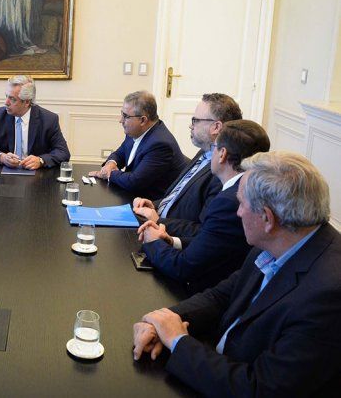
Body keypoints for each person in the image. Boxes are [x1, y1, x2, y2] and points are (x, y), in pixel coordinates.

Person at [133, 151, 341, 396]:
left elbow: (259, 389)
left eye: (241, 204)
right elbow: (221, 296)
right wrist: (162, 320)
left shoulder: (328, 295)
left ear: (266, 218)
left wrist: (179, 342)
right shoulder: (277, 241)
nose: (238, 212)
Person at [137, 120, 270, 292]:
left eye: (213, 147)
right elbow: (212, 243)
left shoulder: (229, 201)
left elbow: (183, 267)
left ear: (222, 154)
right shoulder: (244, 190)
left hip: (207, 290)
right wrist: (172, 241)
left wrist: (153, 241)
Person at [133, 93, 243, 237]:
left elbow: (203, 231)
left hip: (168, 237)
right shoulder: (203, 153)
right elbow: (178, 197)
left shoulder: (222, 173)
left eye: (195, 120)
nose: (191, 126)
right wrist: (153, 205)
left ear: (216, 127)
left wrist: (159, 221)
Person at [89, 91, 188, 200]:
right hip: (134, 196)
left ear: (142, 120)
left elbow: (135, 181)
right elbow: (120, 153)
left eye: (126, 116)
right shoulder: (136, 132)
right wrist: (110, 163)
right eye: (122, 114)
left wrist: (109, 174)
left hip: (152, 205)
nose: (120, 120)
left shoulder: (160, 144)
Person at [0, 75, 71, 169]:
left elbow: (63, 152)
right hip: (4, 175)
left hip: (37, 177)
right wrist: (2, 157)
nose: (6, 102)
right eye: (6, 96)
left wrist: (40, 160)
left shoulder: (48, 119)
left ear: (27, 102)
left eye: (12, 99)